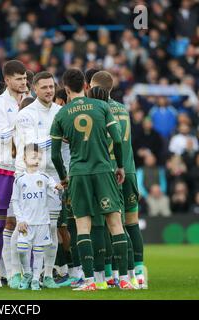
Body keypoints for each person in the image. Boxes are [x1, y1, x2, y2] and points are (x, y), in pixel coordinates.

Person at [51, 68, 134, 291]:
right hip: (104, 170)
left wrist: (63, 177)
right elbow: (117, 139)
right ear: (85, 86)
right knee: (115, 224)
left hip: (79, 173)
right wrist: (119, 166)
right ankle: (125, 279)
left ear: (66, 88)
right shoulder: (103, 107)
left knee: (83, 226)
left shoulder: (61, 113)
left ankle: (90, 282)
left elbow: (54, 155)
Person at [90, 70, 146, 289]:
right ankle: (138, 274)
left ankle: (109, 273)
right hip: (129, 170)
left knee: (108, 223)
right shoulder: (123, 109)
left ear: (93, 86)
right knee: (131, 223)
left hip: (110, 171)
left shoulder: (97, 109)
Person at [15, 71, 70, 289]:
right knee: (24, 228)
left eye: (51, 87)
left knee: (52, 227)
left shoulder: (62, 112)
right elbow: (32, 147)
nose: (49, 90)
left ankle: (47, 275)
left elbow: (68, 149)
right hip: (30, 177)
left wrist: (67, 174)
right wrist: (56, 137)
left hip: (55, 177)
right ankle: (25, 273)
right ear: (34, 89)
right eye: (44, 87)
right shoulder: (26, 115)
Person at [0, 60, 27, 287]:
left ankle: (18, 273)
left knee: (22, 223)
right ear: (7, 80)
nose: (23, 82)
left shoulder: (30, 102)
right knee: (0, 223)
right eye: (19, 79)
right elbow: (1, 135)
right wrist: (23, 117)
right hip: (2, 167)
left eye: (25, 78)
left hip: (25, 168)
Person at [11, 144, 63, 291]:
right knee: (22, 249)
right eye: (33, 157)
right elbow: (15, 200)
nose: (37, 160)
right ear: (24, 159)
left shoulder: (45, 177)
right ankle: (27, 273)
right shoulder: (19, 179)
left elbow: (54, 188)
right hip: (26, 223)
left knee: (38, 251)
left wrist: (58, 188)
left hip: (42, 222)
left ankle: (35, 279)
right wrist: (20, 219)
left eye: (39, 158)